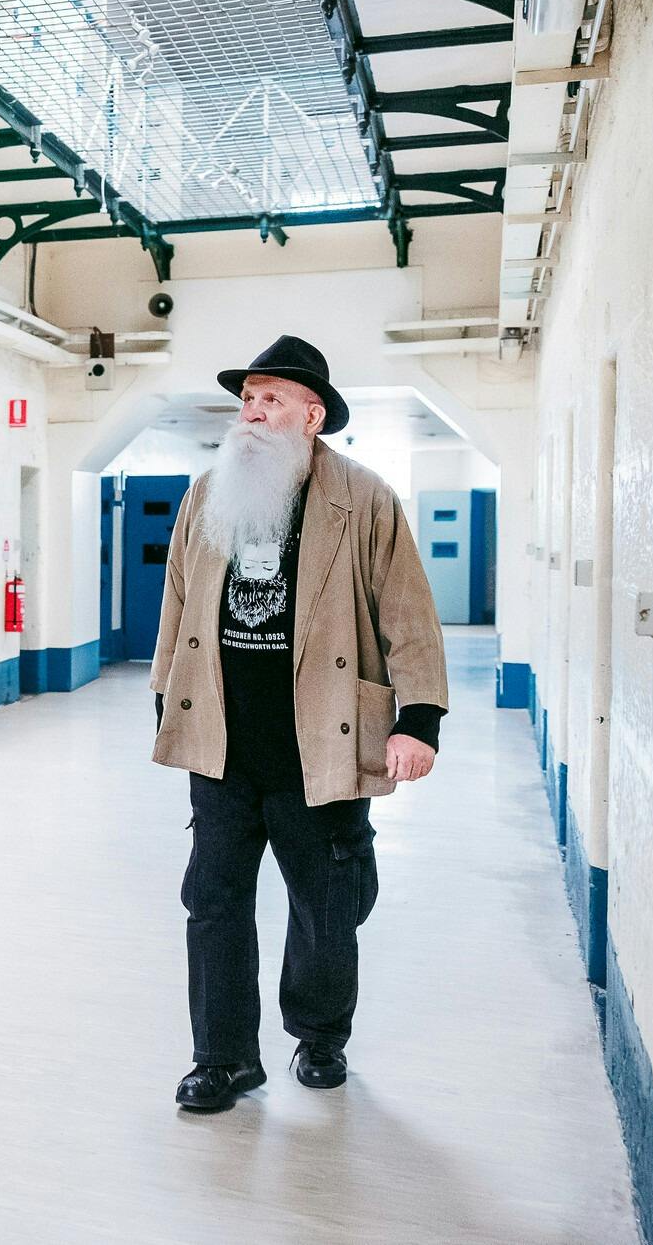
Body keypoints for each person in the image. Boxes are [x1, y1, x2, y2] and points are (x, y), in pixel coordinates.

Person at [148, 334, 448, 1114]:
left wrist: (418, 720)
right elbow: (178, 601)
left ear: (313, 416)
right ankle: (222, 1057)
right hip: (223, 741)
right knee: (211, 899)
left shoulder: (366, 499)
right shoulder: (207, 494)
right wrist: (166, 698)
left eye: (270, 399)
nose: (251, 413)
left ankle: (319, 1034)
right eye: (247, 399)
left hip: (321, 741)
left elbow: (408, 612)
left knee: (325, 901)